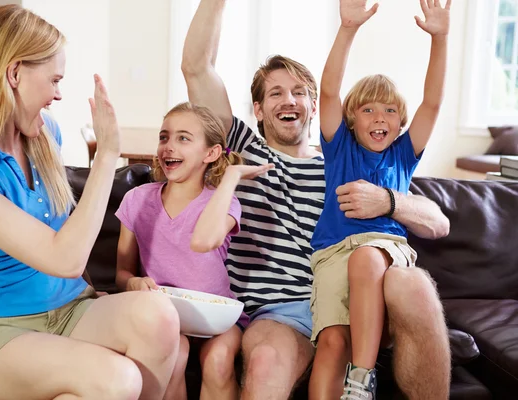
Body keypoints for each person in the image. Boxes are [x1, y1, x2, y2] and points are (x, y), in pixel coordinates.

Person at [181, 1, 451, 399]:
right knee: (267, 359)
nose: (289, 100)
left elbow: (438, 221)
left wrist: (389, 201)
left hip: (360, 298)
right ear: (257, 109)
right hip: (283, 311)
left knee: (414, 286)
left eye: (298, 93)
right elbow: (196, 67)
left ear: (313, 107)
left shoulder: (346, 160)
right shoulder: (243, 149)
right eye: (275, 93)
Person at [0, 5, 180, 400]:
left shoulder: (44, 136)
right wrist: (108, 155)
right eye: (54, 79)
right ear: (14, 73)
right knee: (117, 380)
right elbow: (64, 257)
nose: (58, 93)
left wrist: (88, 291)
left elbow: (66, 233)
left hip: (70, 311)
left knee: (158, 315)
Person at [309, 0, 452, 398]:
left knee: (367, 256)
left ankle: (361, 380)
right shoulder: (340, 148)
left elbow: (434, 102)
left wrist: (440, 39)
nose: (379, 118)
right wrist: (348, 29)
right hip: (332, 254)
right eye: (368, 109)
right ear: (352, 118)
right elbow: (329, 90)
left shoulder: (403, 154)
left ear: (400, 122)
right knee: (334, 342)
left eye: (390, 110)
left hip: (384, 249)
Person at [115, 101, 273, 400]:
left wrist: (231, 178)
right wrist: (132, 282)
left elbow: (206, 238)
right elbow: (122, 272)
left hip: (218, 318)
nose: (169, 147)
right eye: (164, 137)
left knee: (218, 360)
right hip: (164, 317)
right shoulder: (136, 200)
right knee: (177, 354)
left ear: (210, 153)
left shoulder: (224, 204)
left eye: (183, 138)